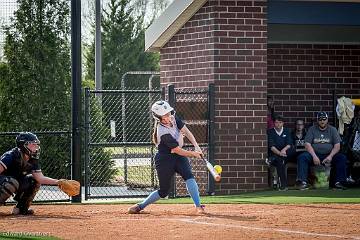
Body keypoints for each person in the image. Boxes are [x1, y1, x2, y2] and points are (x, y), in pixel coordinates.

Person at [128, 100, 205, 214]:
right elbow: (177, 150)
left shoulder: (174, 119)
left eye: (169, 113)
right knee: (164, 191)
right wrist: (193, 154)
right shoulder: (162, 131)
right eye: (165, 115)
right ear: (159, 118)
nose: (169, 116)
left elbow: (187, 132)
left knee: (189, 176)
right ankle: (141, 206)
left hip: (179, 158)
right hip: (165, 160)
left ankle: (198, 206)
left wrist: (196, 146)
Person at [0, 132, 61, 215]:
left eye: (37, 145)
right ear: (23, 145)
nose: (36, 147)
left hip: (15, 182)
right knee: (11, 182)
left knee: (34, 180)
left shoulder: (32, 158)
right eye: (33, 144)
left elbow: (40, 178)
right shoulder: (11, 155)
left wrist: (59, 182)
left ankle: (21, 209)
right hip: (4, 181)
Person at [296, 112, 348, 190]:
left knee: (342, 158)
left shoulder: (333, 130)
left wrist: (330, 156)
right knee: (302, 157)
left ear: (327, 120)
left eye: (324, 119)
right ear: (317, 120)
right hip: (314, 155)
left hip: (329, 155)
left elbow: (337, 146)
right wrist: (314, 156)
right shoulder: (312, 129)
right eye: (320, 119)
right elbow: (307, 144)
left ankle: (339, 182)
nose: (322, 121)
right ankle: (302, 182)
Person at [267, 115, 294, 190]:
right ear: (274, 123)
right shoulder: (270, 132)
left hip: (286, 153)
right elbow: (271, 147)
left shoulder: (287, 131)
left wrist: (283, 150)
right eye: (276, 122)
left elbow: (289, 144)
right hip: (277, 153)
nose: (278, 124)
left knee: (289, 152)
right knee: (280, 161)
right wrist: (280, 153)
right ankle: (284, 185)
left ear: (283, 123)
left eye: (280, 122)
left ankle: (271, 159)